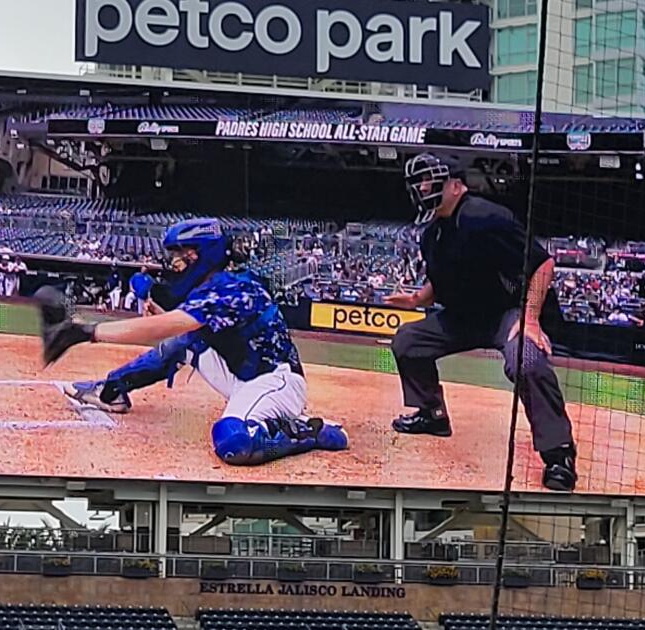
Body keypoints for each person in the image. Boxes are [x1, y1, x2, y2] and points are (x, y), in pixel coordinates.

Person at [44, 218, 348, 466]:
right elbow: (184, 329)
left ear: (201, 253)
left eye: (182, 253)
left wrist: (88, 332)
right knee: (185, 342)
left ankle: (308, 430)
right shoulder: (214, 286)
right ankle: (112, 391)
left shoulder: (231, 286)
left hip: (275, 381)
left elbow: (163, 326)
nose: (175, 262)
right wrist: (163, 316)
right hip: (242, 375)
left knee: (233, 441)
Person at [383, 153, 578, 492]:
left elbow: (543, 263)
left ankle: (559, 454)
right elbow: (442, 283)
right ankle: (432, 415)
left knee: (525, 360)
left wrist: (531, 317)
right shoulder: (432, 235)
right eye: (419, 182)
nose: (423, 187)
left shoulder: (485, 216)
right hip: (464, 317)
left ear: (457, 186)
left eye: (432, 180)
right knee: (408, 341)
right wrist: (417, 300)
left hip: (507, 312)